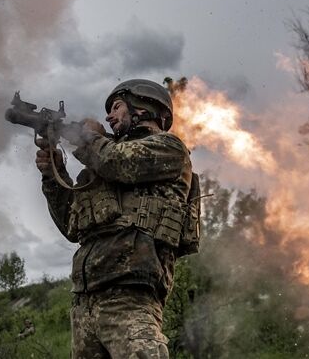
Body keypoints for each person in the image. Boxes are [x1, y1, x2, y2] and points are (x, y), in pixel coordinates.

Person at [35, 79, 199, 358]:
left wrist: (86, 137)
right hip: (84, 301)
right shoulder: (99, 168)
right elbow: (71, 227)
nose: (109, 116)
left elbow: (117, 162)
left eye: (117, 107)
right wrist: (54, 174)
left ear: (143, 109)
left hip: (130, 295)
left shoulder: (167, 148)